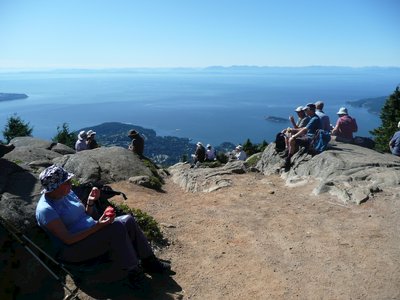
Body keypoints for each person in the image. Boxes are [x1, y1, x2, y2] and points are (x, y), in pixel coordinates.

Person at [35, 165, 170, 288]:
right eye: (67, 182)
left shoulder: (66, 193)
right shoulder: (46, 210)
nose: (70, 184)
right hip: (73, 250)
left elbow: (85, 216)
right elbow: (68, 239)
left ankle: (149, 262)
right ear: (55, 186)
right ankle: (133, 272)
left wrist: (90, 202)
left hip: (90, 233)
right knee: (115, 228)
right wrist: (99, 226)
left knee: (128, 220)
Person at [283, 103, 321, 169]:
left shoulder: (314, 119)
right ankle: (288, 157)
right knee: (292, 137)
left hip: (311, 139)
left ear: (311, 110)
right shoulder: (312, 118)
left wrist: (294, 136)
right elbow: (303, 128)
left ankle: (288, 160)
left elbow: (305, 129)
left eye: (306, 110)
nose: (305, 111)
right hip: (310, 137)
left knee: (292, 140)